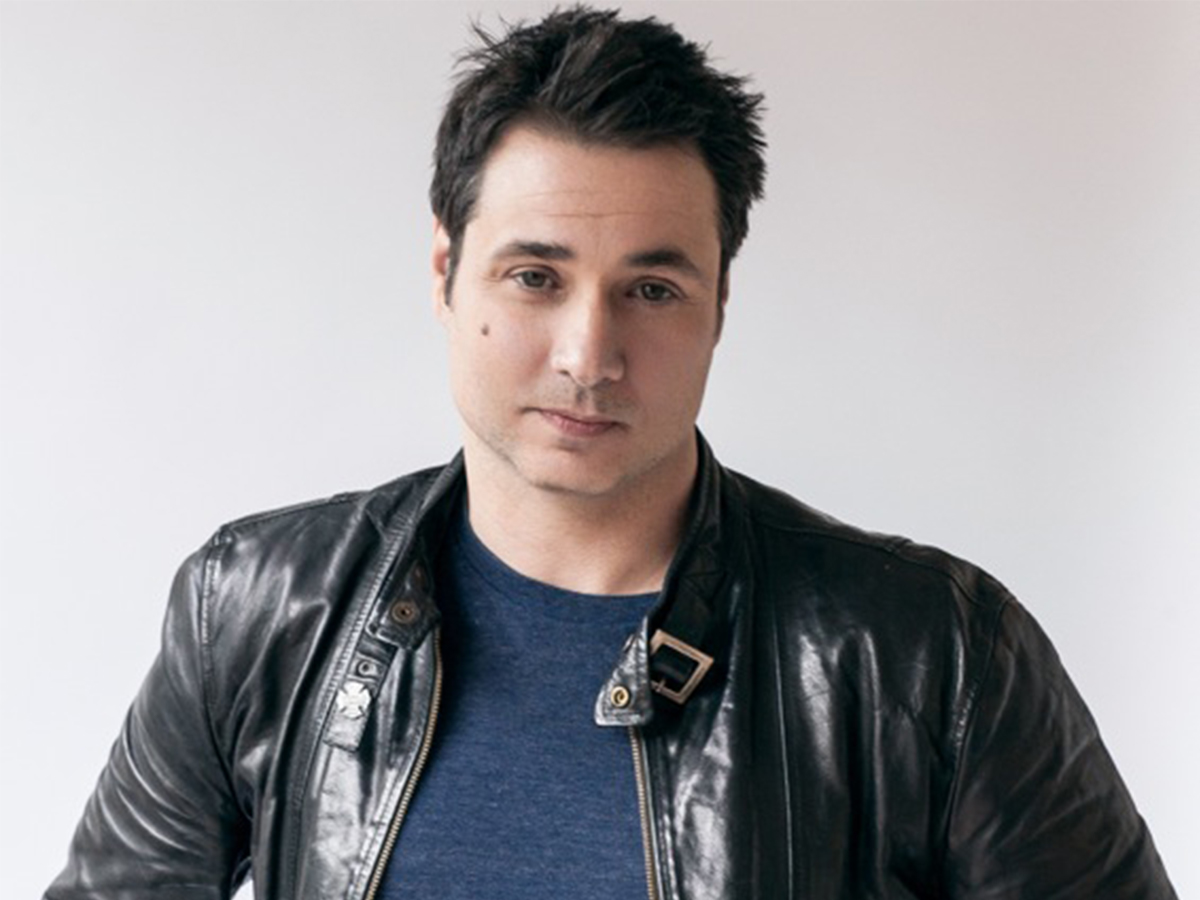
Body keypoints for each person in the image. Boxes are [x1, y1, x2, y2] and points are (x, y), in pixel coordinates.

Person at [46, 7, 1176, 899]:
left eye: (652, 289)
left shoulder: (931, 654)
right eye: (535, 277)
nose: (589, 355)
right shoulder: (255, 610)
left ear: (720, 303)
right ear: (445, 273)